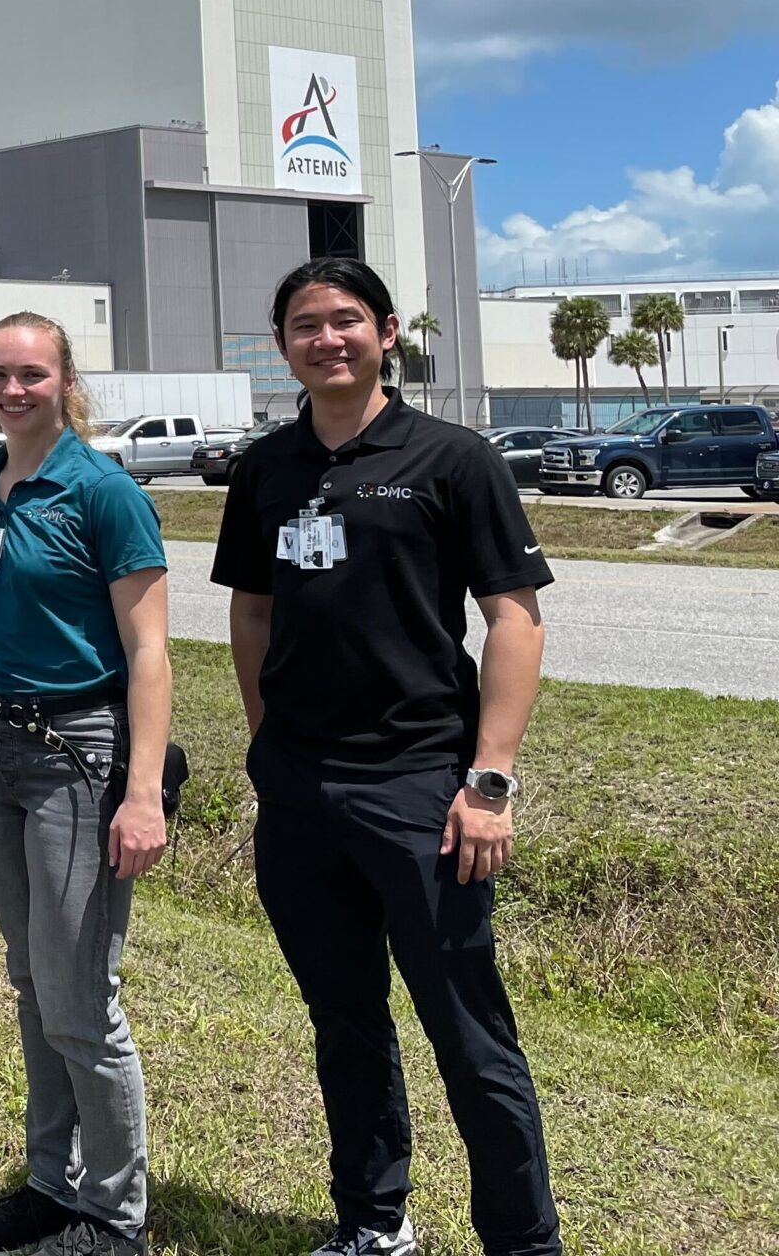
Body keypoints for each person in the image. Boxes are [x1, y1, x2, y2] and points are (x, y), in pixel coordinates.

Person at [213, 258, 560, 1256]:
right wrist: (264, 736)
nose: (328, 339)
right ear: (282, 342)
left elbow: (514, 621)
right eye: (306, 325)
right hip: (300, 791)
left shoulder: (452, 458)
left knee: (468, 1034)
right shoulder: (266, 467)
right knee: (345, 1023)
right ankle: (372, 1223)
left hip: (422, 790)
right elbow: (251, 608)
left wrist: (487, 781)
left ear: (386, 332)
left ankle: (523, 1242)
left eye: (346, 321)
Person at [0, 313, 172, 1256]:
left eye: (31, 374)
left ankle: (114, 1216)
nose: (13, 390)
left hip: (79, 752)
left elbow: (151, 653)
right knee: (33, 981)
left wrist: (144, 793)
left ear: (64, 380)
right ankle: (50, 1184)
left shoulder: (103, 490)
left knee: (81, 994)